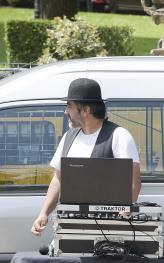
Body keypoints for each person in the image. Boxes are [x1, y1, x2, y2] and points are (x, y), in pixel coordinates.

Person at [31, 77, 141, 236]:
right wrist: (43, 213)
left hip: (107, 233)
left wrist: (119, 222)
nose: (66, 111)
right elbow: (58, 179)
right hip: (71, 229)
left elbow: (133, 183)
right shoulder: (69, 137)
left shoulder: (119, 136)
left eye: (69, 106)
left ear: (86, 110)